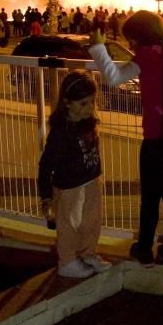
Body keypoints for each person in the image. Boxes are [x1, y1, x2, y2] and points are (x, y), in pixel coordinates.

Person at [89, 11, 163, 266]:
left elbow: (114, 77)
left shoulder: (147, 55)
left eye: (130, 39)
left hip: (155, 138)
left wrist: (97, 46)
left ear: (139, 37)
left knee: (150, 199)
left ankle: (144, 250)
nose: (129, 44)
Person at [37, 71, 112, 280]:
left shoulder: (88, 122)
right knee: (69, 225)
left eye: (91, 102)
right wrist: (46, 196)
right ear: (67, 103)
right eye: (83, 103)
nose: (89, 108)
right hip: (69, 187)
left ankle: (88, 253)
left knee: (91, 221)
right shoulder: (61, 131)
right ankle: (67, 261)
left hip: (91, 182)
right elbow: (45, 165)